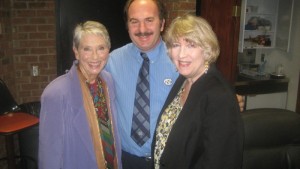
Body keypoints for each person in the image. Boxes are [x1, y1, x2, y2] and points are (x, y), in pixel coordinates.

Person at [105, 0, 245, 168]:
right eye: (134, 21)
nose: (142, 29)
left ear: (162, 23)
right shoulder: (111, 62)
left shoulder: (182, 65)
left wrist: (229, 100)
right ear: (127, 25)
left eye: (149, 20)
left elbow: (210, 98)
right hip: (126, 160)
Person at [152, 14, 244, 169]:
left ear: (207, 49)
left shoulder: (219, 96)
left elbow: (222, 161)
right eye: (175, 45)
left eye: (191, 45)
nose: (181, 54)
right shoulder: (184, 79)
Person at [39, 21, 122, 169]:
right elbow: (49, 155)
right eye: (87, 49)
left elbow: (111, 134)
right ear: (76, 52)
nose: (95, 57)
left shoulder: (108, 81)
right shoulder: (55, 93)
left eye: (101, 48)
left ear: (108, 50)